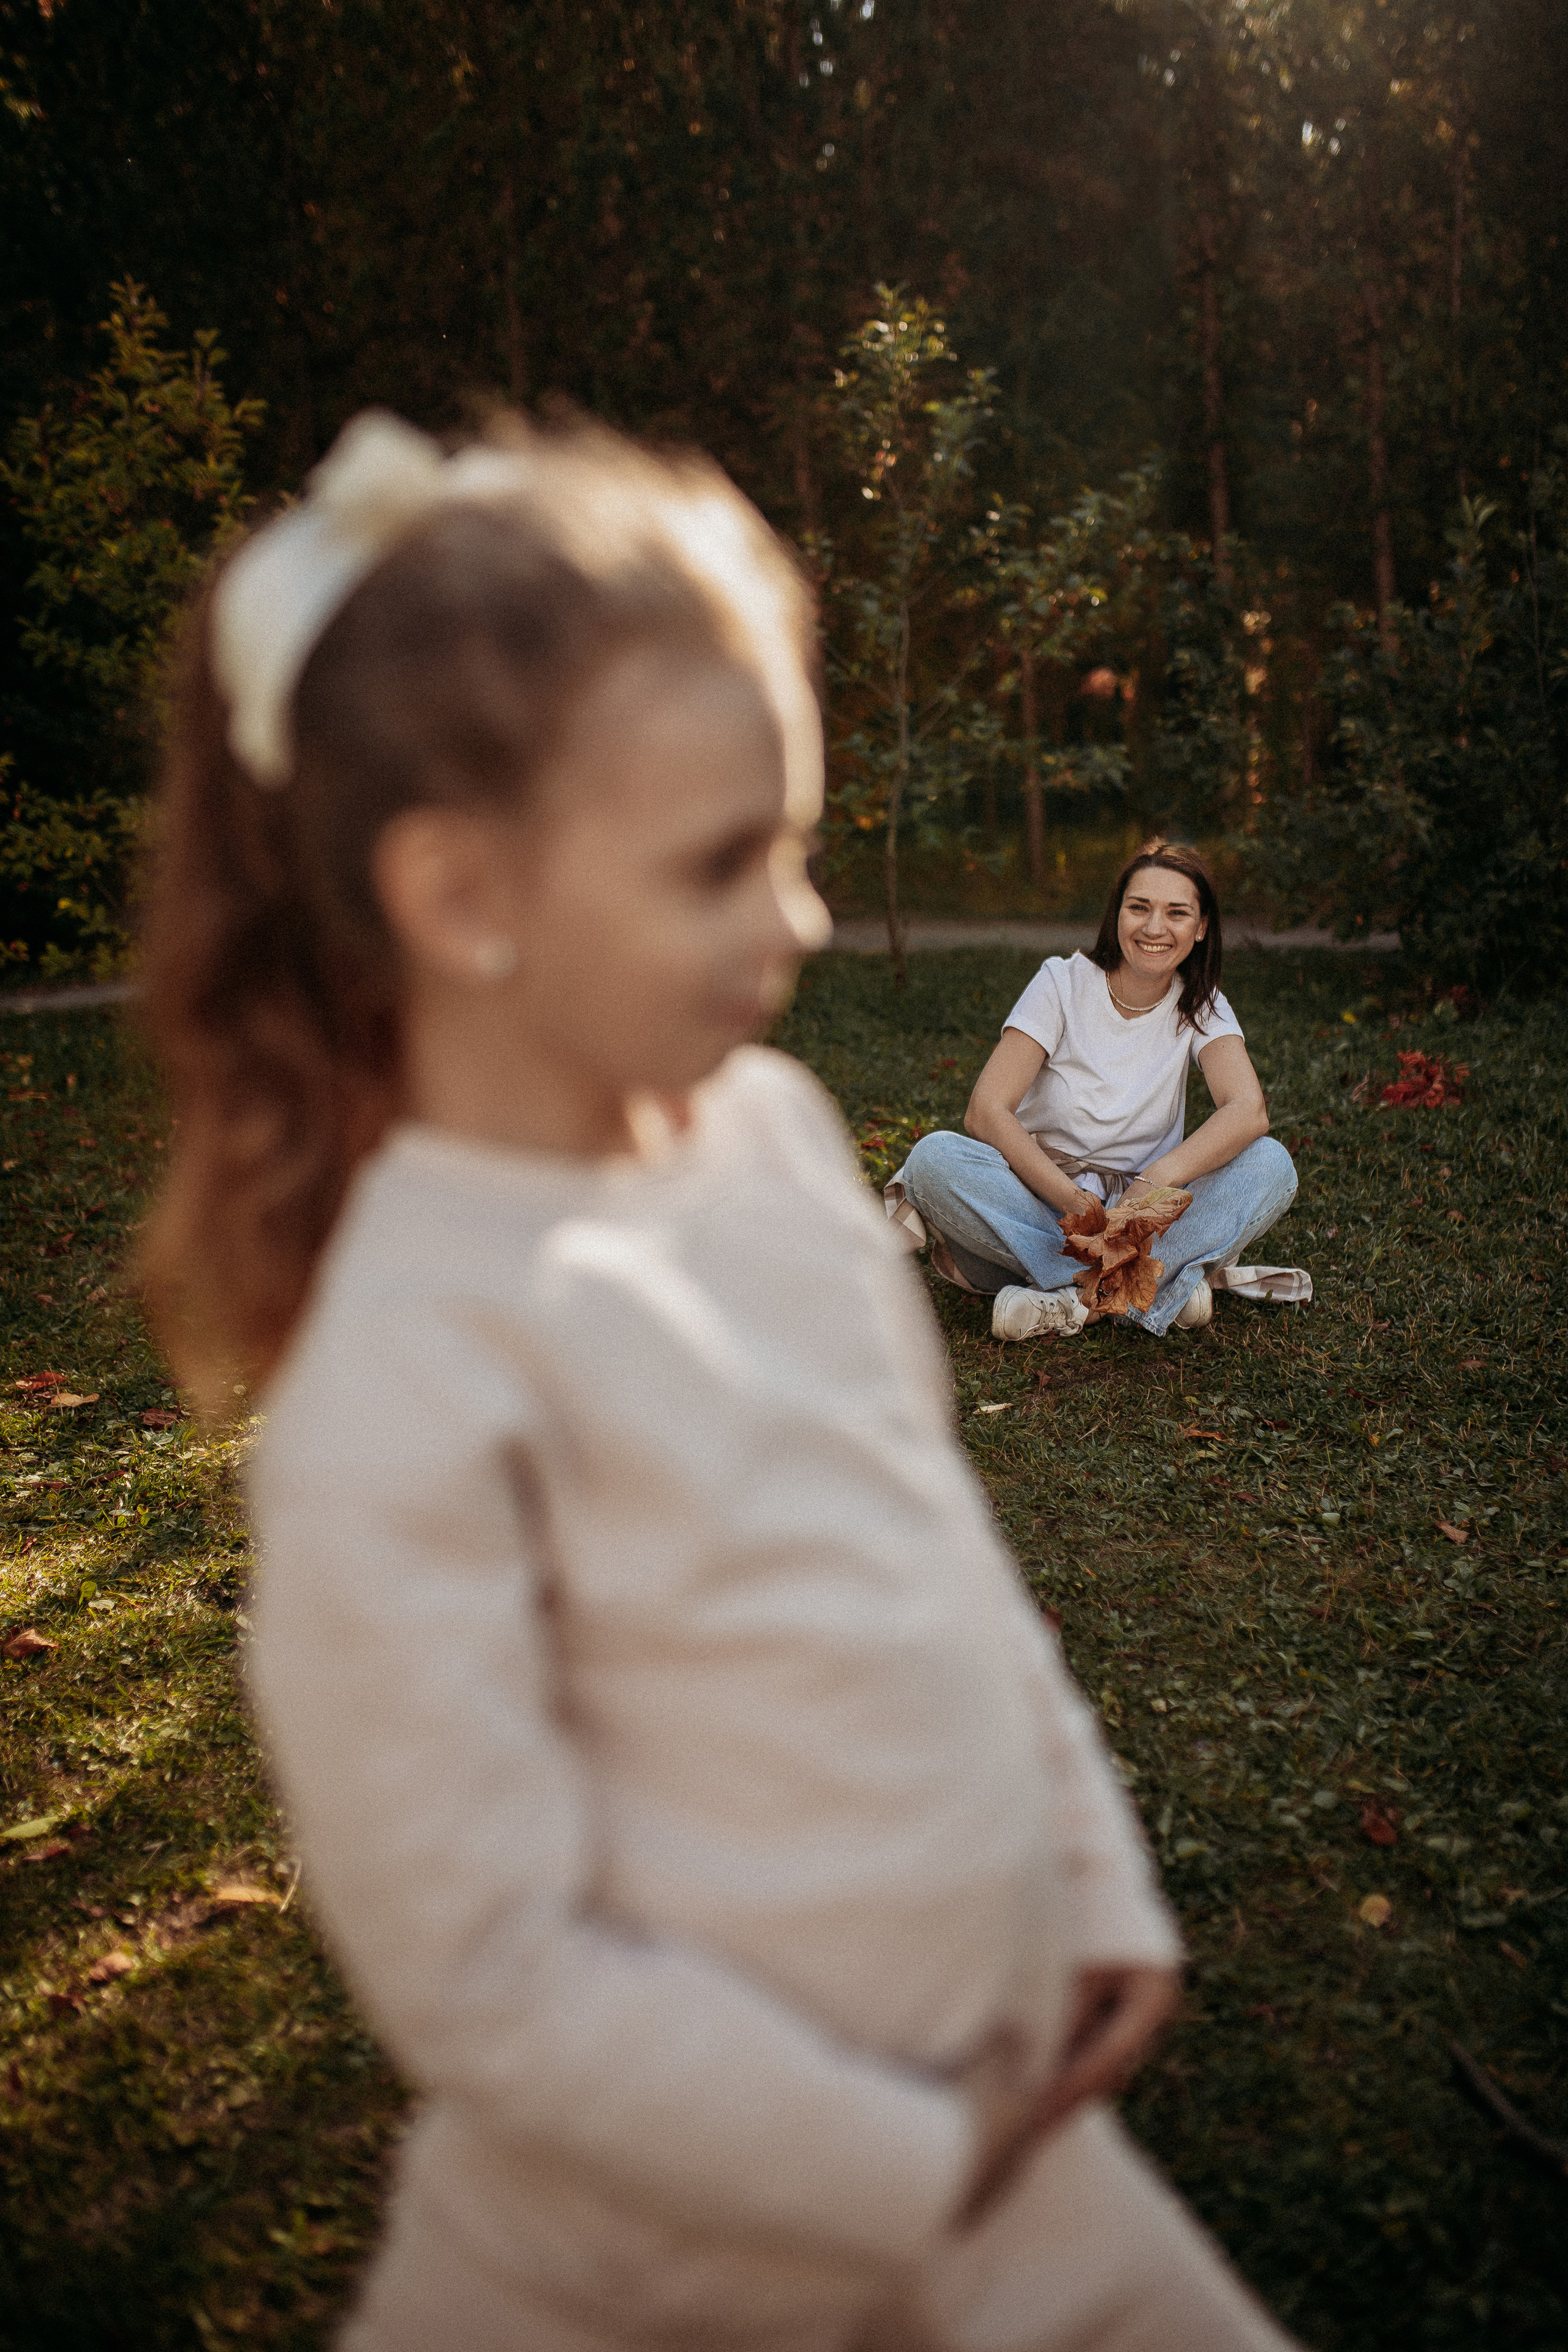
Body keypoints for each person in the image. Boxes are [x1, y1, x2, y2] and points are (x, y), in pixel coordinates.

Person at [137, 410, 1301, 2352]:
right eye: (719, 863)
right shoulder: (398, 1381)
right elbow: (491, 1974)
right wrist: (909, 2168)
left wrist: (1088, 1864)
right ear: (460, 896)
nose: (803, 921)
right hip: (662, 2270)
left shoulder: (768, 1135)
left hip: (1026, 2182)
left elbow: (934, 1552)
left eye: (796, 843)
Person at [889, 844, 1309, 1343]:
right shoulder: (1061, 982)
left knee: (1271, 1164)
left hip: (1143, 1221)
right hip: (1045, 1201)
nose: (1154, 928)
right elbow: (985, 1112)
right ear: (1117, 916)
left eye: (1177, 913)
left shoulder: (1202, 1002)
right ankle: (1156, 1286)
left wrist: (1147, 1190)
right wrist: (1077, 1206)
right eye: (1139, 908)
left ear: (1201, 928)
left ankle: (1073, 1303)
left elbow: (1248, 1111)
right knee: (935, 1157)